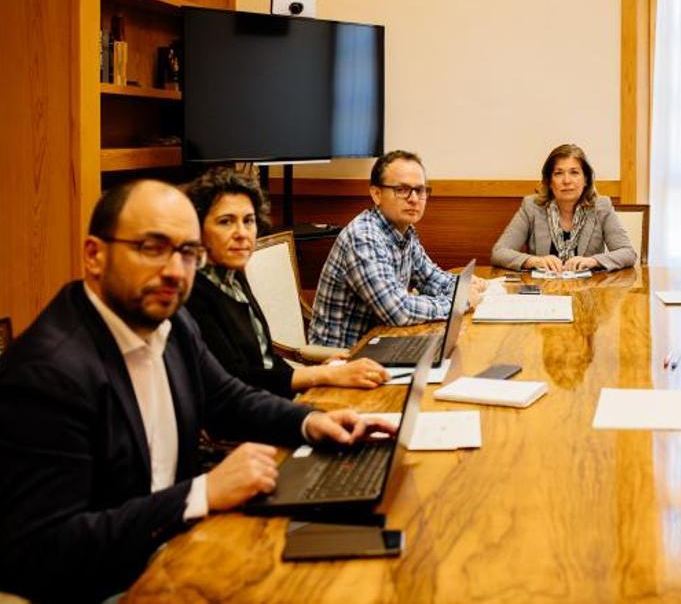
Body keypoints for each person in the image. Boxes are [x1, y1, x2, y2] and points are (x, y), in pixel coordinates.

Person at [0, 180, 395, 601]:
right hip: (110, 585)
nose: (174, 271)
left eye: (187, 252)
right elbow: (45, 550)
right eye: (152, 247)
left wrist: (313, 421)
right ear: (95, 255)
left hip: (180, 547)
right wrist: (202, 492)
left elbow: (228, 399)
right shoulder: (48, 373)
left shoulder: (171, 323)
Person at [184, 167, 389, 397]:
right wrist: (322, 376)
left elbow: (266, 360)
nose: (242, 233)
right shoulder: (192, 292)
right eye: (225, 222)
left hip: (274, 403)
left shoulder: (232, 275)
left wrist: (322, 370)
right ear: (197, 228)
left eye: (248, 221)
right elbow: (236, 379)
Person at [309, 150, 486, 349]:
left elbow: (431, 279)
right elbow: (398, 310)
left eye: (420, 190)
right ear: (376, 194)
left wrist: (471, 286)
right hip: (342, 361)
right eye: (402, 189)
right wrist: (458, 303)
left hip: (381, 345)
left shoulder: (404, 231)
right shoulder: (364, 237)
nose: (414, 198)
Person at [491, 144, 636, 272]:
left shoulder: (601, 206)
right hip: (545, 292)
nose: (567, 181)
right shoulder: (532, 206)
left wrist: (593, 261)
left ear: (586, 179)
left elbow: (628, 253)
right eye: (559, 173)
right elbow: (499, 252)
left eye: (574, 172)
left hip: (589, 293)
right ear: (549, 181)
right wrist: (535, 261)